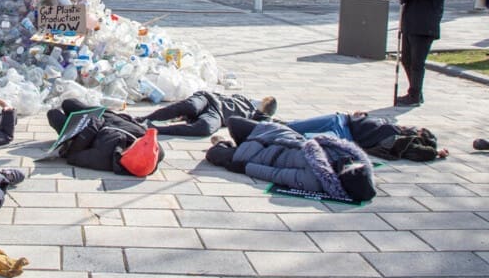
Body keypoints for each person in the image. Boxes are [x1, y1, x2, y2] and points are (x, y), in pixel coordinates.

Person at [206, 117, 377, 203]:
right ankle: (236, 140)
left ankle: (224, 144)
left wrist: (245, 167)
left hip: (257, 154)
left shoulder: (314, 180)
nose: (346, 162)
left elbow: (276, 174)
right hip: (274, 134)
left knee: (214, 155)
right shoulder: (344, 151)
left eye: (347, 168)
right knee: (233, 121)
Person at [46, 98, 164, 175]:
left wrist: (93, 128)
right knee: (68, 103)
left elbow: (73, 156)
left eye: (138, 142)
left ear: (129, 152)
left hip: (80, 131)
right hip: (100, 116)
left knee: (53, 114)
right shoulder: (153, 149)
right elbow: (130, 122)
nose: (139, 138)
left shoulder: (102, 158)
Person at [284, 111, 448, 160]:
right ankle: (262, 120)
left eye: (417, 130)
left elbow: (419, 151)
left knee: (299, 137)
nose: (411, 126)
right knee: (291, 125)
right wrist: (363, 115)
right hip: (341, 118)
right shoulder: (391, 126)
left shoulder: (402, 140)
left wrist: (436, 153)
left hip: (344, 134)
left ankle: (266, 133)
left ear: (417, 135)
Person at [396, 0, 446, 106]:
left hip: (424, 28)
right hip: (410, 26)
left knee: (417, 63)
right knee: (406, 60)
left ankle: (414, 95)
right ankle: (416, 92)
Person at [138, 91, 278, 137]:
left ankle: (153, 129)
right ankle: (143, 119)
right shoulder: (243, 98)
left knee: (205, 128)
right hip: (209, 99)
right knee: (190, 106)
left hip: (218, 114)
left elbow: (269, 123)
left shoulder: (254, 115)